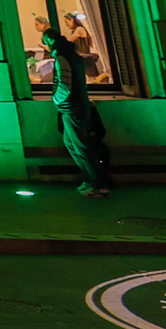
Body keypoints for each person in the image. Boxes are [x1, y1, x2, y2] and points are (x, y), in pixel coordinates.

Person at [44, 22, 113, 198]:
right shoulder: (74, 56)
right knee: (73, 143)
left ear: (51, 40)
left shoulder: (62, 58)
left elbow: (65, 85)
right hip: (79, 105)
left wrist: (55, 99)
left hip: (71, 107)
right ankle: (91, 179)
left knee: (80, 146)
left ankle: (97, 183)